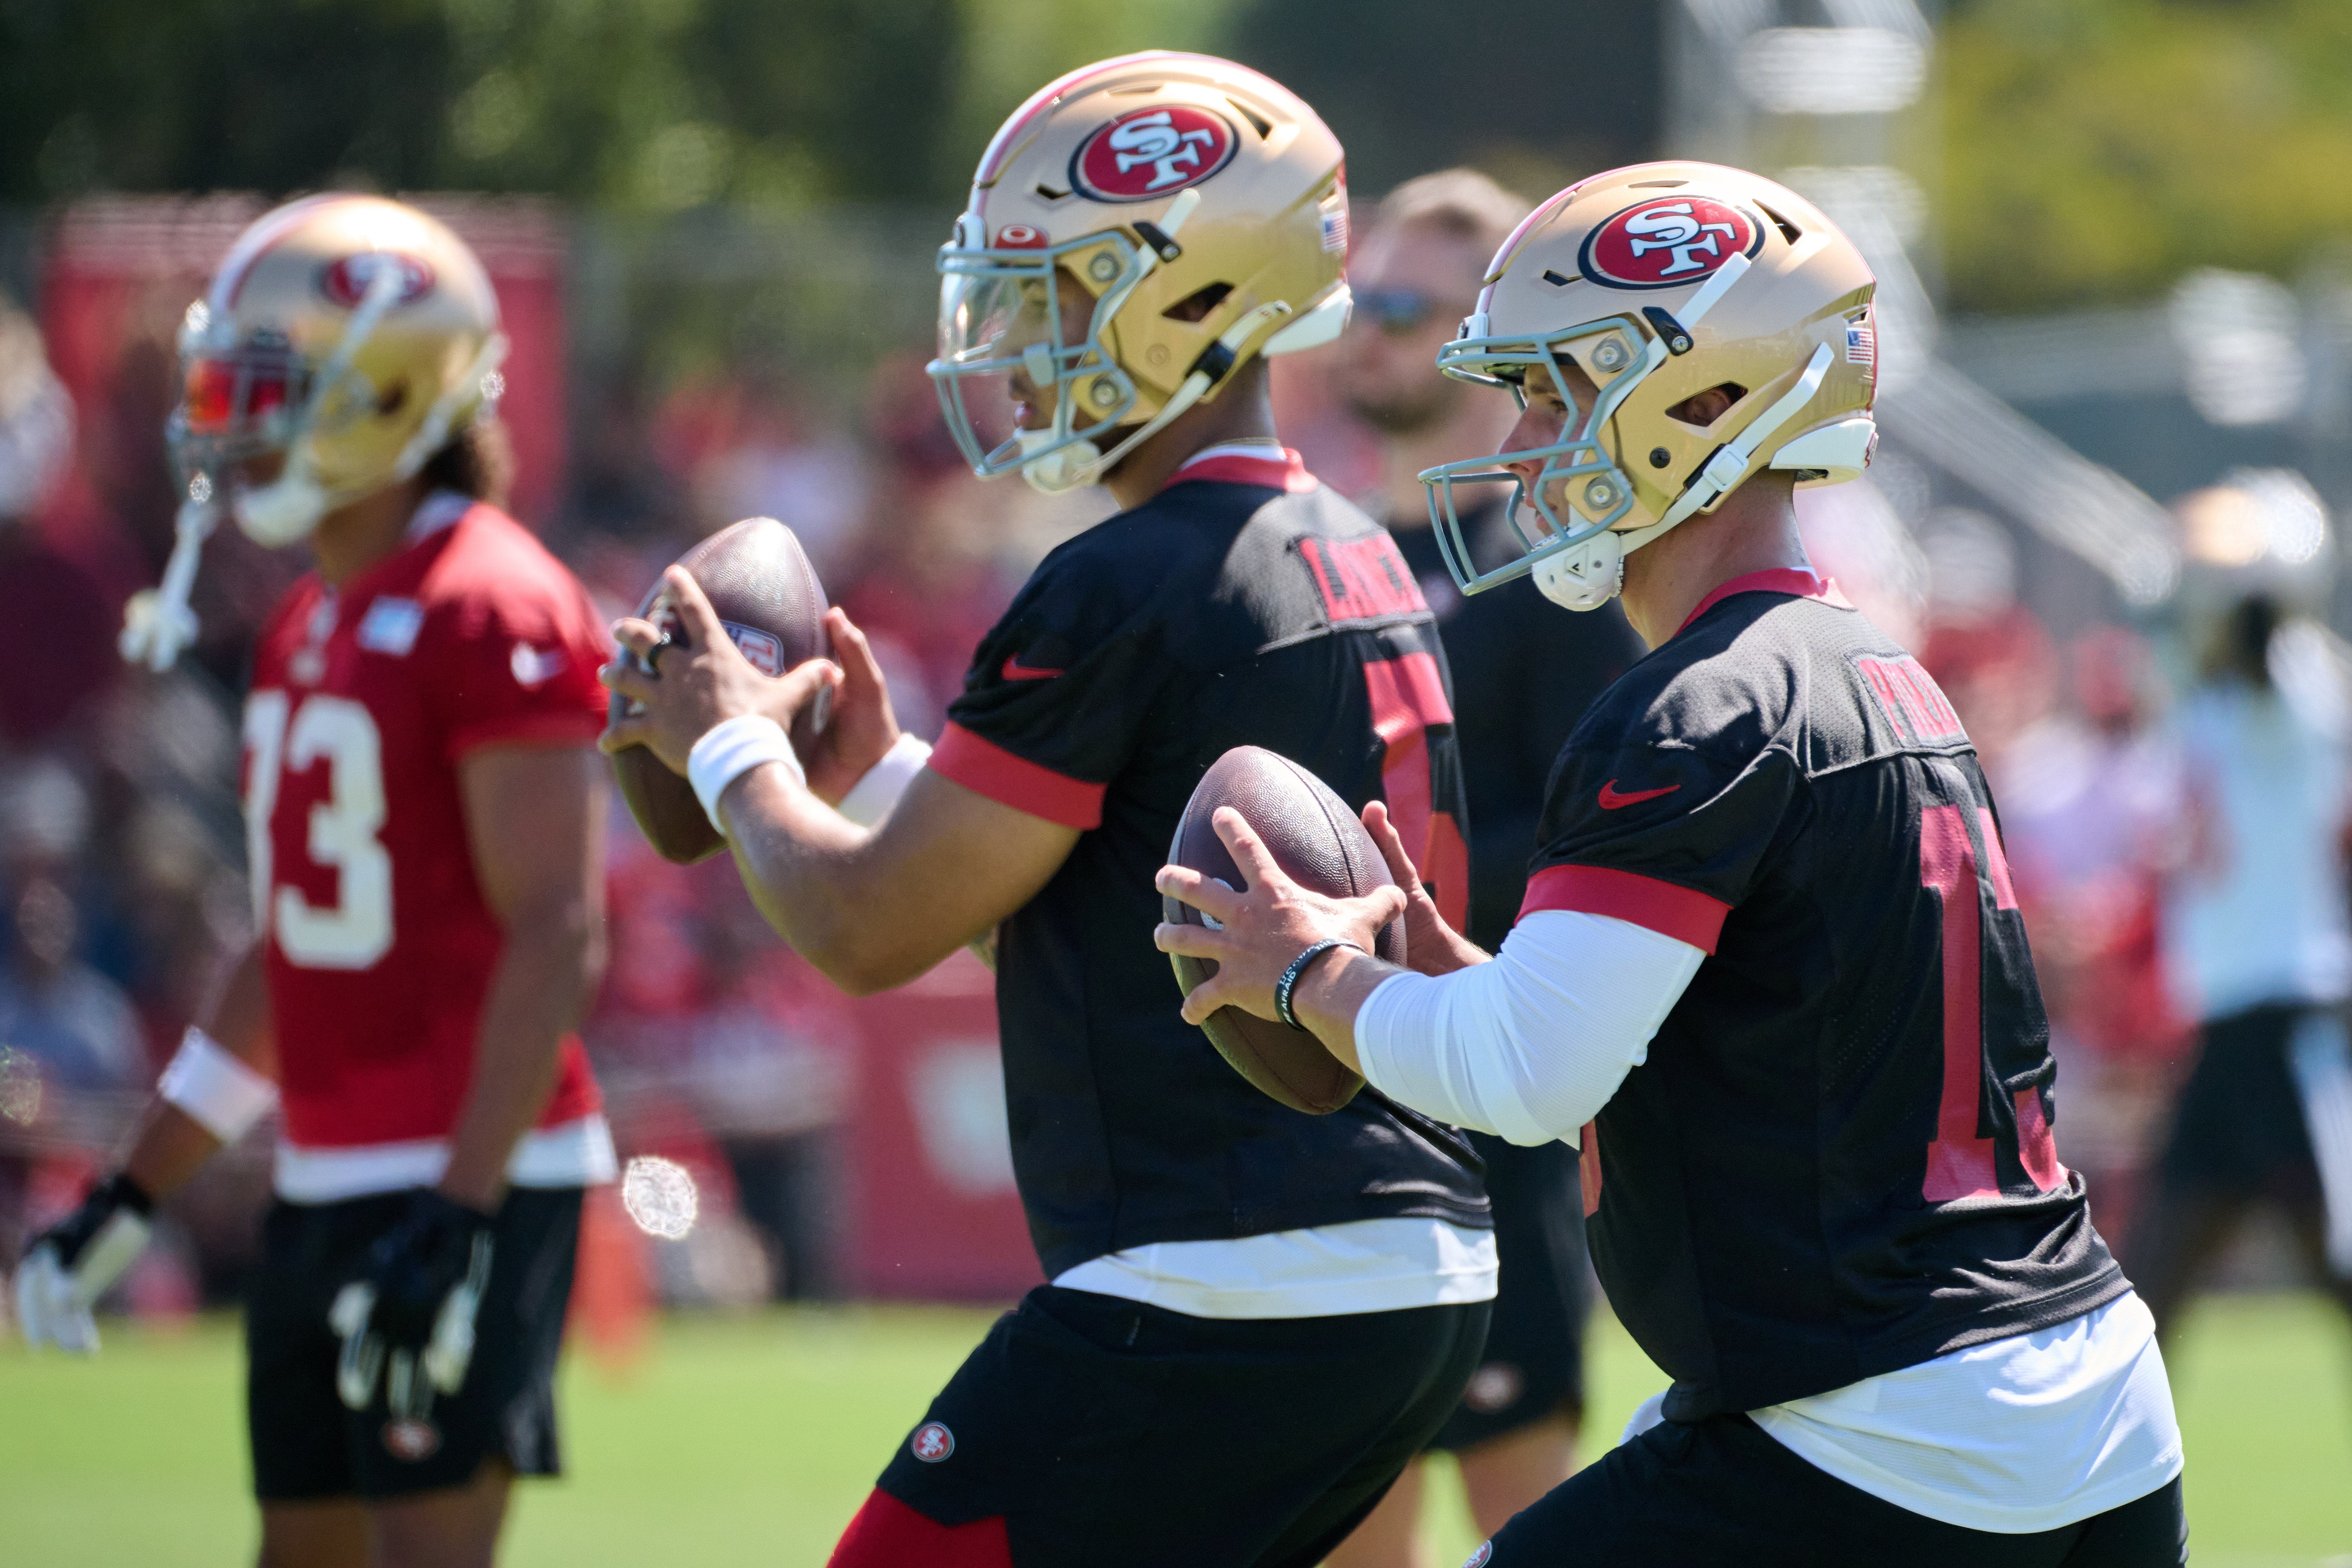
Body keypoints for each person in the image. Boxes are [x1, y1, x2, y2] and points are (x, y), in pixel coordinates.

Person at [1158, 162, 2187, 1566]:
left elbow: (1530, 1074)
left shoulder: (1695, 707)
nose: (1519, 441)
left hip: (1888, 1428)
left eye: (1555, 391)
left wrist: (1310, 975)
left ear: (1699, 402)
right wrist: (1458, 973)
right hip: (2081, 1401)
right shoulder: (1878, 667)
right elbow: (1682, 1030)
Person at [598, 52, 1494, 1568]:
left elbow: (867, 928)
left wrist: (729, 748)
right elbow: (1115, 924)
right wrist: (889, 782)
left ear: (1191, 299)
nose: (1021, 335)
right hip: (1399, 1262)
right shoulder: (1351, 547)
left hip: (1222, 1272)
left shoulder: (1122, 579)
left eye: (1063, 289)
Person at [16, 195, 616, 1568]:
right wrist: (136, 1189)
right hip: (333, 1168)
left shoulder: (492, 602)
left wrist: (460, 1213)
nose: (230, 425)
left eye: (266, 389)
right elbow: (293, 952)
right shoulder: (310, 617)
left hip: (471, 1165)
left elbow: (556, 930)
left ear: (389, 391)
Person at [1325, 169, 1643, 1567]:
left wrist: (1383, 896)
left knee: (1526, 1522)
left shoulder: (1552, 570)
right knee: (1341, 1520)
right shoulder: (1322, 553)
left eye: (1403, 304)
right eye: (1359, 300)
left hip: (1490, 1100)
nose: (1368, 333)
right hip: (1336, 1100)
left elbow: (1600, 835)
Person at [2128, 587, 2352, 1343]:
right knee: (2151, 1288)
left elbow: (2265, 647)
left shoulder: (2293, 702)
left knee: (2339, 1260)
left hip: (2290, 1015)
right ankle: (2119, 1461)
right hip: (2226, 1024)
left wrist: (2251, 595)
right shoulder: (2206, 710)